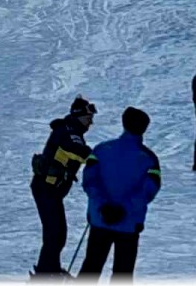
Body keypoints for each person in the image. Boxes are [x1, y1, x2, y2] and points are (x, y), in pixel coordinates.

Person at [79, 107, 160, 279]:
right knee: (123, 273)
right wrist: (124, 209)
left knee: (91, 267)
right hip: (129, 224)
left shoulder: (101, 150)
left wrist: (103, 206)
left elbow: (90, 181)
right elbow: (148, 190)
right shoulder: (149, 158)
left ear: (124, 124)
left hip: (100, 219)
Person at [31, 96, 96, 278]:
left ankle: (50, 269)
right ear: (79, 116)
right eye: (88, 118)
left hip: (51, 190)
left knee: (58, 234)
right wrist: (102, 159)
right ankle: (45, 274)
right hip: (46, 189)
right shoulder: (68, 133)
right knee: (54, 234)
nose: (91, 123)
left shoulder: (71, 130)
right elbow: (80, 153)